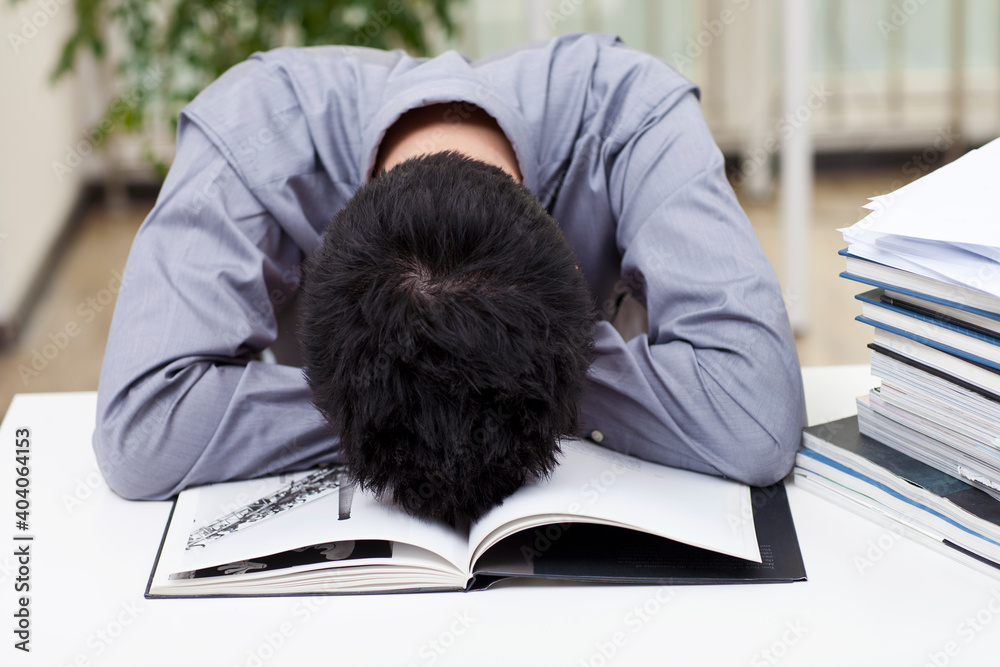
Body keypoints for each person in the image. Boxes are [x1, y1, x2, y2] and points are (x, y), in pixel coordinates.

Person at [94, 33, 806, 525]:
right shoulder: (251, 126)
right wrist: (462, 394)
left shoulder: (632, 110)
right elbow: (142, 430)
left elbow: (755, 414)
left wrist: (430, 390)